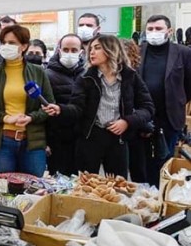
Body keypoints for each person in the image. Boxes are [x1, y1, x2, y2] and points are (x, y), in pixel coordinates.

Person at [43, 35, 154, 177]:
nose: (92, 52)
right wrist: (60, 109)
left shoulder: (130, 76)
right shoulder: (85, 78)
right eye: (91, 49)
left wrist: (127, 121)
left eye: (97, 48)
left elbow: (148, 107)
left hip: (118, 139)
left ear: (111, 50)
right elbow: (77, 108)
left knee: (116, 185)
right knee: (87, 185)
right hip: (91, 138)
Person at [0, 25, 54, 176]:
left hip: (32, 142)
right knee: (4, 191)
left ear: (24, 46)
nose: (6, 46)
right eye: (4, 42)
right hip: (1, 142)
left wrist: (31, 118)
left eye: (12, 43)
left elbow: (48, 107)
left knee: (35, 189)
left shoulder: (38, 72)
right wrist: (6, 117)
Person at [137, 15, 191, 186]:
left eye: (158, 29)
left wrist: (178, 100)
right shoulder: (137, 51)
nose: (154, 32)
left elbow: (188, 84)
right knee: (141, 164)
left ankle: (163, 200)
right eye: (150, 29)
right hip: (141, 118)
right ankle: (142, 200)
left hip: (169, 118)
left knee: (163, 162)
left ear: (169, 31)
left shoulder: (183, 53)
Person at [45, 34, 85, 175]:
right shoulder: (47, 75)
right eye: (66, 49)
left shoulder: (87, 74)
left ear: (81, 52)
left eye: (74, 50)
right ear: (59, 50)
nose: (70, 53)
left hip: (81, 138)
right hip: (56, 138)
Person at [121, 39, 148, 183]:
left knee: (138, 169)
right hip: (119, 131)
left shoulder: (134, 75)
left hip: (134, 129)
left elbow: (145, 104)